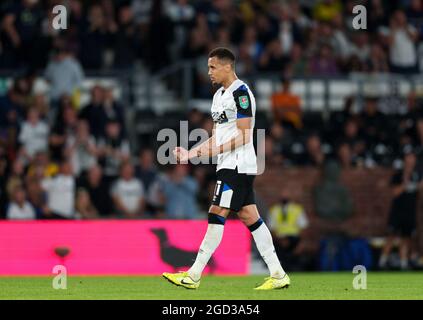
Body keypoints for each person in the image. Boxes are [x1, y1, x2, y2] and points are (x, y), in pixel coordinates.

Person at [163, 47, 290, 290]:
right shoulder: (218, 96)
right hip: (228, 163)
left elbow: (244, 136)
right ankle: (278, 273)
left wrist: (216, 150)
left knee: (216, 211)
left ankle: (193, 275)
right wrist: (191, 154)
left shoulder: (241, 93)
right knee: (249, 216)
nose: (208, 72)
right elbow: (215, 136)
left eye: (212, 67)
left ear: (227, 67)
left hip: (238, 163)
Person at [379, 149, 422, 270]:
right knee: (391, 236)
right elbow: (394, 192)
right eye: (408, 158)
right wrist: (405, 182)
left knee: (406, 237)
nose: (410, 161)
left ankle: (403, 263)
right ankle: (382, 262)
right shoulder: (398, 174)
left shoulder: (417, 175)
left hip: (410, 210)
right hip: (397, 210)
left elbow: (418, 193)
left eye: (412, 158)